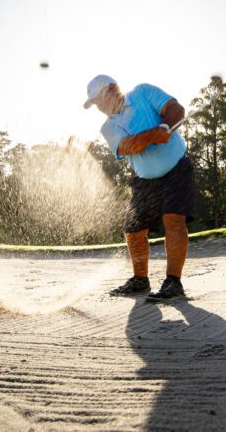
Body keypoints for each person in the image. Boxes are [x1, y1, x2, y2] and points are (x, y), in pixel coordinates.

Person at [84, 74, 195, 302]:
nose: (98, 107)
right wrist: (153, 134)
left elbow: (177, 110)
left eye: (99, 100)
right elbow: (126, 146)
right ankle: (140, 280)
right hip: (145, 179)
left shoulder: (143, 92)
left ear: (113, 89)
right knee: (133, 230)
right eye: (94, 104)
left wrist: (165, 125)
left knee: (173, 220)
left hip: (177, 168)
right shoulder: (108, 127)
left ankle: (174, 282)